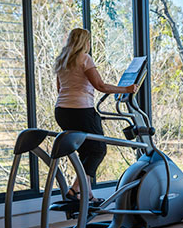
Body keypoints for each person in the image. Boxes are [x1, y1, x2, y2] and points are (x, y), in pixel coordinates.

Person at [53, 28, 138, 206]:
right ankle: (75, 188)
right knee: (98, 149)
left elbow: (60, 88)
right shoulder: (84, 58)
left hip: (62, 111)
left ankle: (87, 195)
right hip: (81, 111)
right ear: (85, 42)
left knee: (86, 151)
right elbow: (100, 85)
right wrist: (127, 89)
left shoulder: (62, 60)